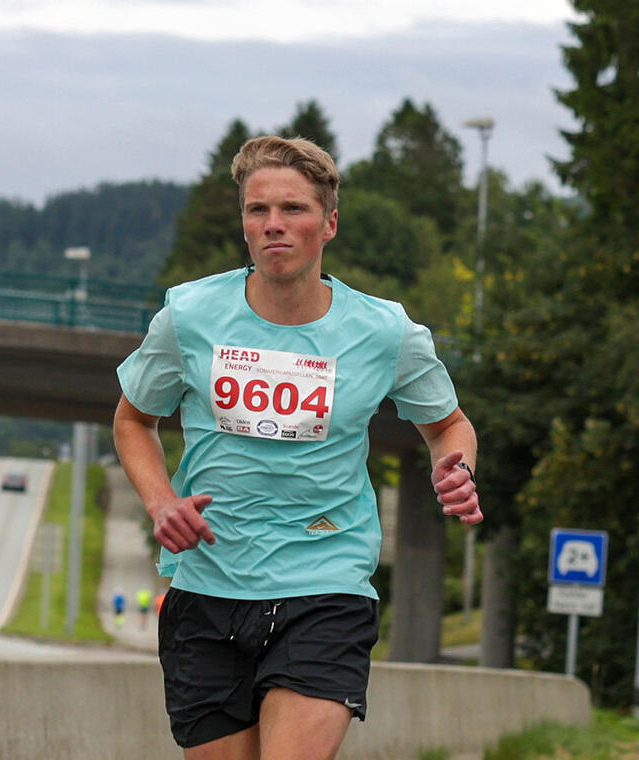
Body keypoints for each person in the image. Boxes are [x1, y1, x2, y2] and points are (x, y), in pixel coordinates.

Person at [113, 135, 481, 760]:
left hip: (326, 580)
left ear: (329, 223)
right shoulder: (190, 315)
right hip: (208, 582)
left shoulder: (384, 330)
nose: (274, 225)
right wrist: (160, 503)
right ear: (244, 224)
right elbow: (132, 421)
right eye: (258, 211)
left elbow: (449, 425)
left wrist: (457, 468)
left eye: (294, 210)